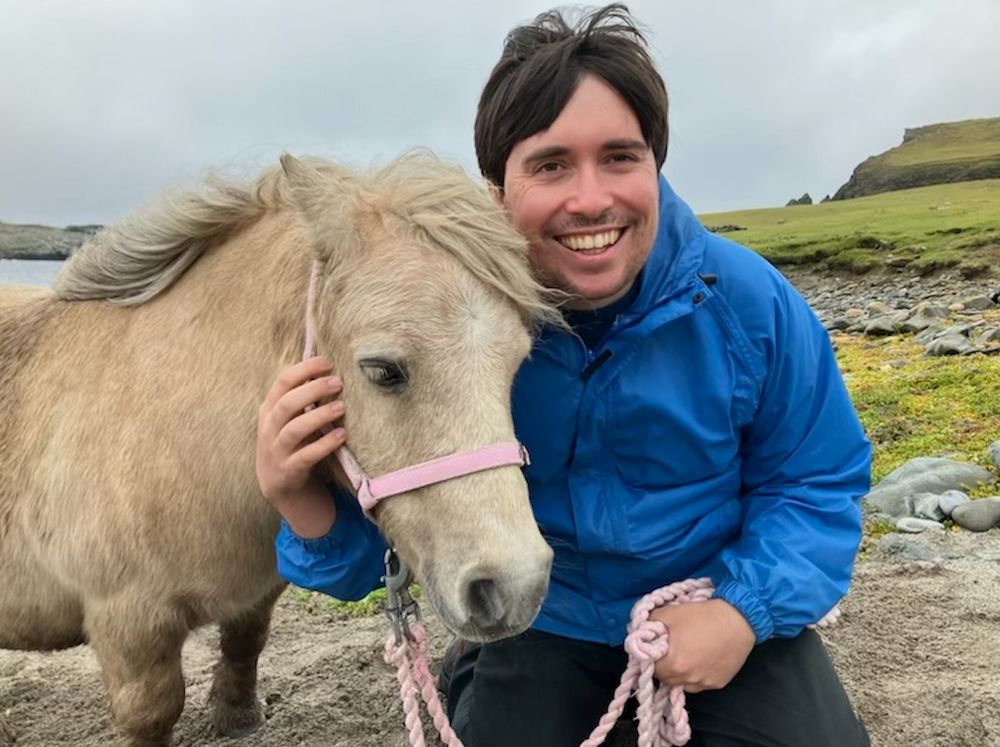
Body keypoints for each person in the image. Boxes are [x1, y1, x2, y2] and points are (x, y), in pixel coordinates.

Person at [255, 4, 872, 745]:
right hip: (548, 620)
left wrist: (743, 612)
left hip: (712, 601)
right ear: (499, 191)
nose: (590, 199)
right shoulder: (461, 324)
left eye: (620, 157)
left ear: (655, 165)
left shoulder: (750, 304)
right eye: (550, 165)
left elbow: (815, 481)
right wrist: (297, 494)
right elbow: (378, 558)